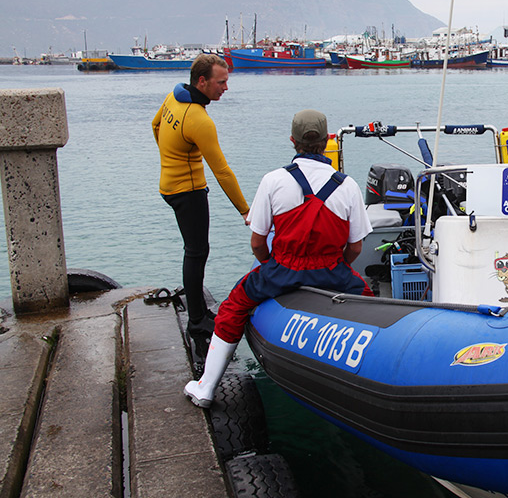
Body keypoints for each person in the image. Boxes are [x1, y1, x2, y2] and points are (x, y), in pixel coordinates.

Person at [184, 109, 374, 408]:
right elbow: (356, 247)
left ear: (292, 141)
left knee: (233, 307)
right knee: (370, 301)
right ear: (327, 142)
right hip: (333, 270)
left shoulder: (273, 181)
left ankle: (206, 387)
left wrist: (273, 266)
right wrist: (338, 267)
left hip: (282, 268)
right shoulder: (347, 185)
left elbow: (258, 242)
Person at [152, 54, 250, 360]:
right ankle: (197, 322)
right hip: (189, 191)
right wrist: (245, 210)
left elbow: (155, 125)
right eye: (221, 82)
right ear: (202, 81)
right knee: (196, 252)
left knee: (194, 251)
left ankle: (197, 312)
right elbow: (222, 171)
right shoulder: (199, 120)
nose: (226, 88)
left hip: (169, 184)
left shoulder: (173, 97)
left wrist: (173, 158)